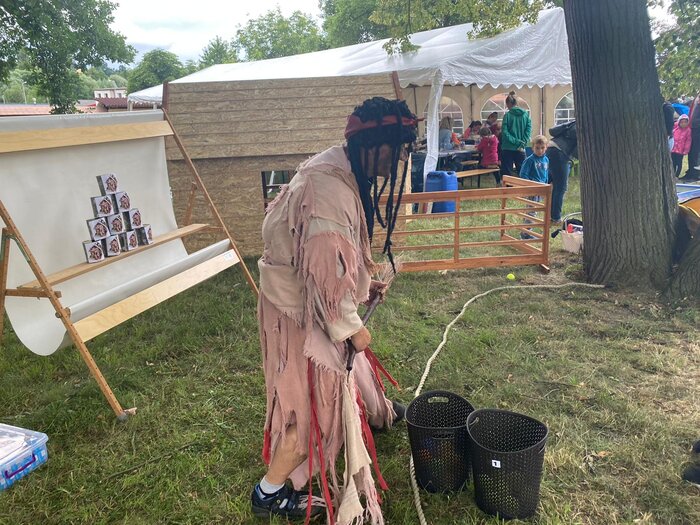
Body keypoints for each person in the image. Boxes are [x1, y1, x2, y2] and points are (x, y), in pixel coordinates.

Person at [253, 97, 414, 523]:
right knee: (308, 405)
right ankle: (269, 492)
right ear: (372, 144)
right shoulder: (328, 189)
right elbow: (324, 277)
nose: (399, 159)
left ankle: (378, 414)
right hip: (298, 312)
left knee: (349, 369)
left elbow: (329, 263)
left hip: (312, 302)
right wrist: (351, 326)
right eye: (396, 147)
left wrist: (360, 286)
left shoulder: (342, 167)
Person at [546, 120, 578, 224]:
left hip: (550, 147)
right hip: (560, 152)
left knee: (553, 184)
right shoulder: (583, 127)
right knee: (560, 187)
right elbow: (577, 152)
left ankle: (549, 214)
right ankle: (555, 218)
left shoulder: (573, 123)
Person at [519, 135, 549, 239]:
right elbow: (523, 174)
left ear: (546, 148)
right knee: (532, 211)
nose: (540, 150)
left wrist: (545, 186)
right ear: (532, 148)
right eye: (537, 148)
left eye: (542, 148)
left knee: (530, 210)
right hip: (532, 190)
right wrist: (530, 186)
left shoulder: (546, 160)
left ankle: (525, 229)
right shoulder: (530, 160)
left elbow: (545, 174)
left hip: (541, 189)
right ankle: (526, 234)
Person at [500, 91, 532, 179]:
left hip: (507, 147)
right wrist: (522, 142)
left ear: (508, 104)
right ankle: (523, 187)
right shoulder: (526, 115)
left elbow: (505, 132)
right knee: (523, 172)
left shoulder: (507, 116)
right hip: (521, 147)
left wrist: (515, 141)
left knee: (507, 173)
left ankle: (508, 187)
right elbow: (528, 130)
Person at [684, 93, 700, 181]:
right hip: (692, 127)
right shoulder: (697, 97)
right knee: (691, 151)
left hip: (698, 128)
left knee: (696, 152)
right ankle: (690, 172)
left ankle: (696, 174)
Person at [672, 114, 692, 178]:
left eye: (685, 122)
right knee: (673, 163)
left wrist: (686, 150)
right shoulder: (675, 129)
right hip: (673, 149)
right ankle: (672, 174)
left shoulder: (688, 131)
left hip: (680, 151)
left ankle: (676, 175)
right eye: (682, 122)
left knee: (679, 163)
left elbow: (688, 141)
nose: (683, 124)